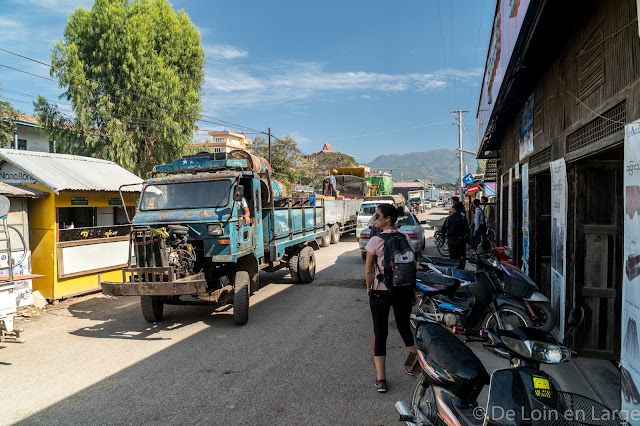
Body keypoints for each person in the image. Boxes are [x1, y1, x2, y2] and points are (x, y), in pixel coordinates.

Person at [364, 203, 417, 393]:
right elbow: (412, 266)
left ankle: (381, 379)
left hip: (380, 291)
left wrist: (369, 288)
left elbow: (369, 269)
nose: (374, 219)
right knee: (404, 328)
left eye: (377, 216)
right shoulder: (405, 238)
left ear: (387, 219)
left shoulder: (375, 240)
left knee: (380, 333)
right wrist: (412, 292)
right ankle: (413, 364)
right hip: (402, 290)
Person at [441, 202, 470, 267]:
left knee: (453, 259)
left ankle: (454, 272)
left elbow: (444, 229)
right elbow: (467, 231)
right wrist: (468, 242)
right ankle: (461, 273)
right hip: (461, 242)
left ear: (455, 209)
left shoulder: (450, 218)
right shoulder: (463, 218)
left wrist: (443, 238)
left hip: (452, 242)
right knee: (461, 259)